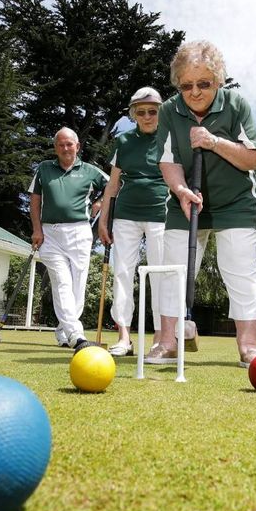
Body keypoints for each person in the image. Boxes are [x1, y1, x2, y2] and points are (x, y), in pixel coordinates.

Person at [149, 40, 256, 368]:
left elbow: (255, 158)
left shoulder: (236, 104)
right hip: (186, 200)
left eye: (204, 84)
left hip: (235, 201)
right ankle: (169, 341)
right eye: (187, 85)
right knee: (173, 271)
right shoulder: (171, 111)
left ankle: (248, 346)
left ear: (219, 80)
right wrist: (181, 189)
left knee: (240, 270)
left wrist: (213, 142)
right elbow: (168, 161)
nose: (195, 92)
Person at [98, 87, 169, 357]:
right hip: (126, 216)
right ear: (134, 114)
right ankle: (124, 337)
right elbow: (112, 186)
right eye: (142, 112)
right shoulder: (124, 142)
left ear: (160, 112)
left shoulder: (170, 139)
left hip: (160, 217)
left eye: (153, 111)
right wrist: (103, 221)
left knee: (160, 275)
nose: (148, 116)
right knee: (123, 273)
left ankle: (160, 339)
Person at [29, 127, 108, 350]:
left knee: (77, 285)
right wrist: (37, 229)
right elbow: (34, 201)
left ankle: (63, 331)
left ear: (77, 146)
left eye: (69, 144)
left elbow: (114, 185)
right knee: (62, 282)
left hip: (80, 232)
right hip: (50, 233)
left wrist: (100, 202)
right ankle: (76, 335)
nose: (65, 148)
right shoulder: (44, 169)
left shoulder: (91, 171)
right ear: (56, 148)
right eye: (61, 144)